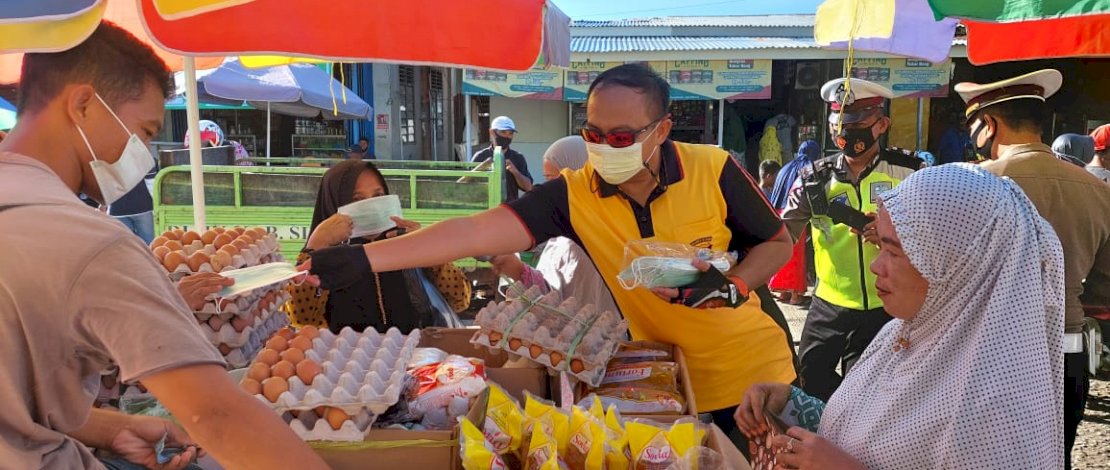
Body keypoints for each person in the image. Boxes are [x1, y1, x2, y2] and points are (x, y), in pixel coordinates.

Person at [303, 63, 796, 445]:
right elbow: (476, 232)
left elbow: (778, 243)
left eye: (621, 138)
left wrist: (731, 286)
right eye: (593, 135)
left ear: (662, 130)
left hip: (752, 375)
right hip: (661, 381)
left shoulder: (712, 168)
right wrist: (365, 259)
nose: (604, 148)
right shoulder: (573, 194)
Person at [0, 22, 326, 469]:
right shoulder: (91, 242)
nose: (147, 155)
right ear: (82, 104)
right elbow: (215, 415)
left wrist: (109, 427)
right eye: (146, 132)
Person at [736, 163, 1065, 470]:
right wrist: (789, 406)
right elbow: (870, 432)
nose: (876, 266)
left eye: (893, 251)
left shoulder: (998, 406)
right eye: (880, 247)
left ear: (956, 267)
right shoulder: (904, 333)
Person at [956, 69, 1110, 469]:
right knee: (1054, 456)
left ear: (988, 125)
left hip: (986, 351)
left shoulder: (968, 184)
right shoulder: (1098, 190)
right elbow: (1104, 292)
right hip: (1066, 349)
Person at [781, 78, 923, 402]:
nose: (846, 131)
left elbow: (937, 236)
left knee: (873, 390)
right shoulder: (813, 179)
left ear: (882, 124)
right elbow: (780, 234)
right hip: (827, 303)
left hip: (883, 305)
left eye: (857, 122)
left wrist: (893, 237)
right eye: (839, 124)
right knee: (808, 378)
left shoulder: (911, 173)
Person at [288, 160, 467, 333]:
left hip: (418, 358)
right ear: (334, 203)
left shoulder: (405, 243)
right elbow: (301, 319)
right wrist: (315, 247)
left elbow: (460, 299)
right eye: (356, 199)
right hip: (348, 361)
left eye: (378, 196)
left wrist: (428, 247)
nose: (370, 206)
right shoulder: (325, 257)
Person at [489, 135, 620, 316]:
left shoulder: (600, 234)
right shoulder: (562, 229)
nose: (548, 188)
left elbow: (569, 301)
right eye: (547, 178)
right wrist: (517, 269)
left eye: (553, 179)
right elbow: (551, 292)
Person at [769, 140, 820, 305]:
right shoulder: (809, 167)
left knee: (783, 252)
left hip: (778, 212)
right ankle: (796, 295)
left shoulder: (786, 167)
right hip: (796, 214)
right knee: (797, 256)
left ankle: (783, 291)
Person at [471, 116, 533, 202]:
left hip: (509, 210)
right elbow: (469, 184)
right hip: (486, 209)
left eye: (510, 133)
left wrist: (515, 172)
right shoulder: (480, 156)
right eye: (503, 132)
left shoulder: (518, 157)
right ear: (492, 132)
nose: (507, 136)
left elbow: (529, 187)